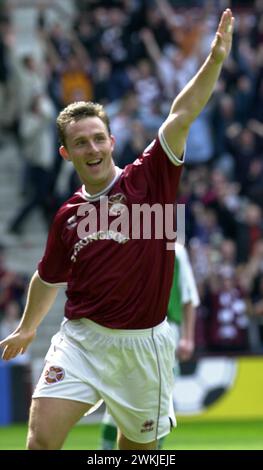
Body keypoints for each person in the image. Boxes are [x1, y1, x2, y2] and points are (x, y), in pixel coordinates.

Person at [0, 9, 234, 450]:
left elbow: (181, 113)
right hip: (82, 341)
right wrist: (29, 327)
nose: (92, 147)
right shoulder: (67, 215)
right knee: (41, 440)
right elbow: (47, 277)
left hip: (144, 348)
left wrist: (215, 60)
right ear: (67, 153)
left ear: (112, 140)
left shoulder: (151, 175)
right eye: (80, 142)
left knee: (137, 454)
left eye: (98, 138)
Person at [100, 241, 200, 450]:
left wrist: (188, 338)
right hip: (125, 336)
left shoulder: (176, 251)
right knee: (117, 404)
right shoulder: (120, 245)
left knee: (159, 406)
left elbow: (189, 297)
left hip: (165, 334)